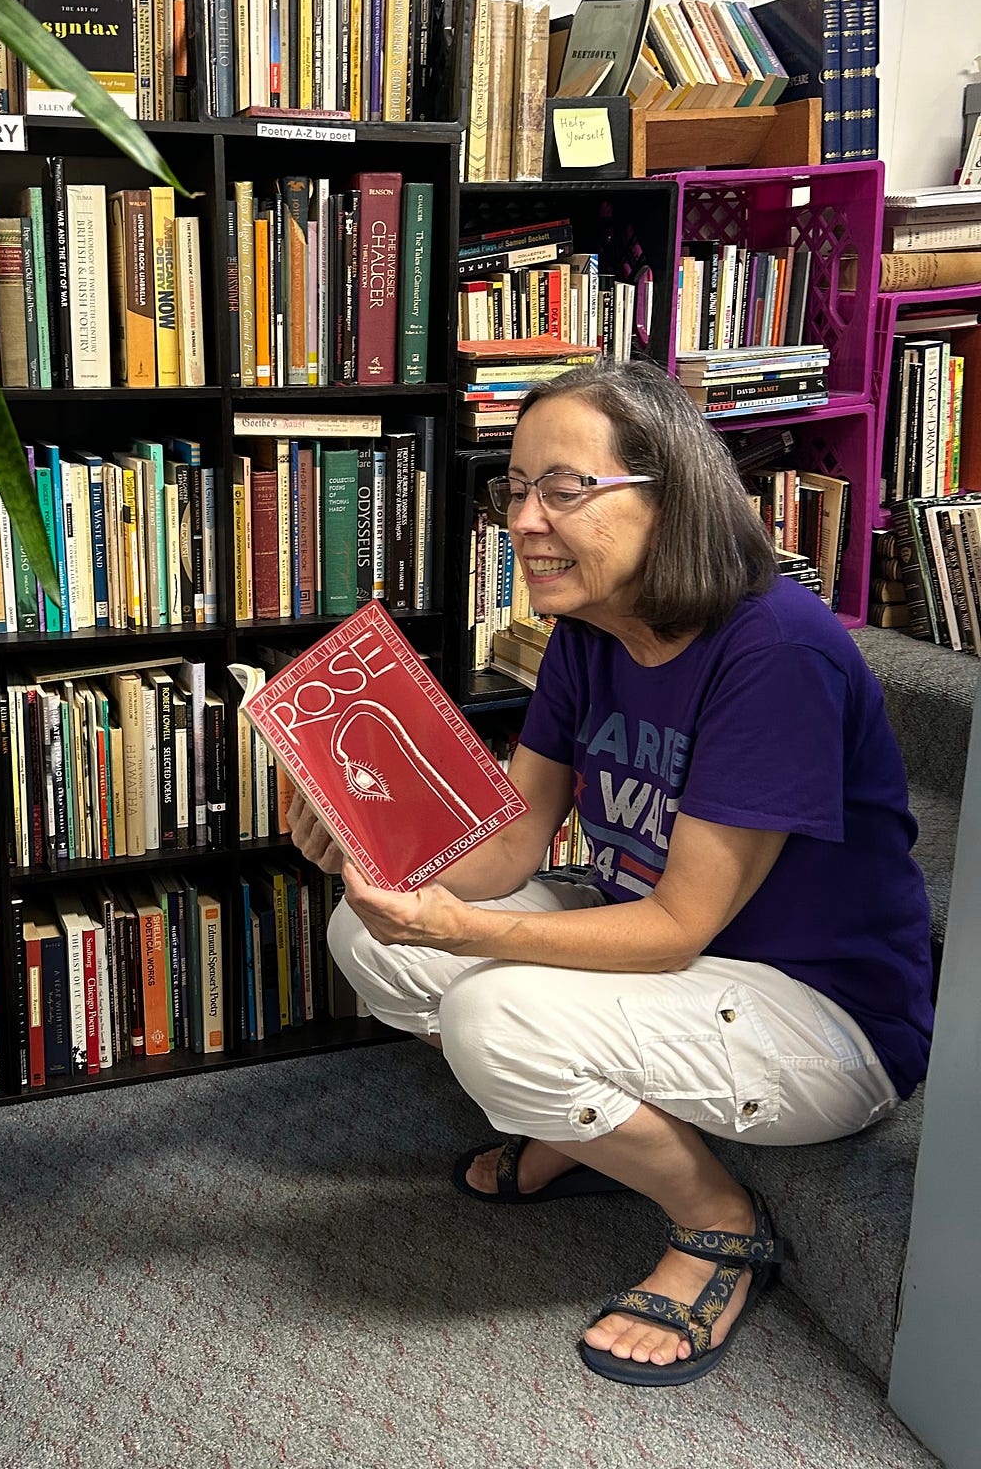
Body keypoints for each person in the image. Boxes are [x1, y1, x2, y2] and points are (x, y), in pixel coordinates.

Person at [288, 360, 933, 1389]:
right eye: (516, 490)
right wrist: (371, 841)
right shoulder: (586, 633)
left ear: (668, 496)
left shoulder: (774, 650)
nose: (524, 521)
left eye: (564, 489)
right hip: (675, 974)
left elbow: (675, 926)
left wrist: (458, 930)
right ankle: (587, 1129)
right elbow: (508, 849)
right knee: (365, 937)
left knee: (492, 1017)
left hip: (823, 1016)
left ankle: (716, 1219)